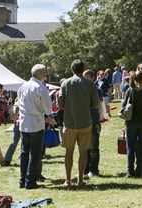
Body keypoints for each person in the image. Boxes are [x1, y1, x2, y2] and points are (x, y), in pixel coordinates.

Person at [58, 59, 100, 187]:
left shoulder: (65, 83)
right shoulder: (90, 84)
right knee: (83, 152)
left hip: (70, 122)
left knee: (69, 152)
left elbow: (60, 103)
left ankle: (68, 180)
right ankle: (80, 179)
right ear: (83, 69)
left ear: (72, 70)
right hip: (85, 122)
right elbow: (96, 103)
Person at [16, 65, 52, 189]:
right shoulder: (41, 88)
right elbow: (48, 109)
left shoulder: (22, 87)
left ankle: (23, 180)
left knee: (24, 153)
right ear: (41, 73)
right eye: (45, 73)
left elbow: (19, 104)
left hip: (23, 123)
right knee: (35, 154)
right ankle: (30, 181)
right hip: (36, 123)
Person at [122, 71, 142, 178]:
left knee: (130, 147)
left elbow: (124, 105)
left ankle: (129, 171)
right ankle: (139, 169)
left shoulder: (130, 91)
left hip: (131, 122)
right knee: (141, 146)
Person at [82, 70, 103, 178]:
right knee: (84, 147)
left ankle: (94, 170)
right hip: (84, 122)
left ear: (93, 78)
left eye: (87, 78)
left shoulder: (97, 90)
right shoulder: (82, 90)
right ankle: (85, 170)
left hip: (94, 122)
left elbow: (96, 104)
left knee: (94, 147)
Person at [2, 97, 20, 166]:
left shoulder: (15, 105)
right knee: (24, 143)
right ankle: (23, 157)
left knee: (14, 143)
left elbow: (11, 116)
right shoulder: (25, 103)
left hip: (16, 124)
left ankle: (7, 159)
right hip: (24, 124)